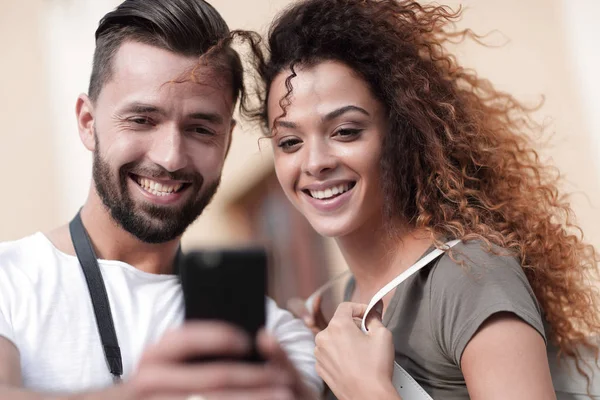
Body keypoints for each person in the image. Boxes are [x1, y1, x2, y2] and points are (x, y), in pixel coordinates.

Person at [251, 0, 600, 399]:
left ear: (399, 133)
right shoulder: (350, 301)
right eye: (290, 142)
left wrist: (366, 390)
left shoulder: (469, 277)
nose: (314, 163)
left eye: (346, 131)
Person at [0, 1, 321, 399]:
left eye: (200, 129)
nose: (170, 156)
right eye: (142, 120)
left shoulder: (274, 336)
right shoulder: (8, 280)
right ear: (88, 122)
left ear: (226, 143)